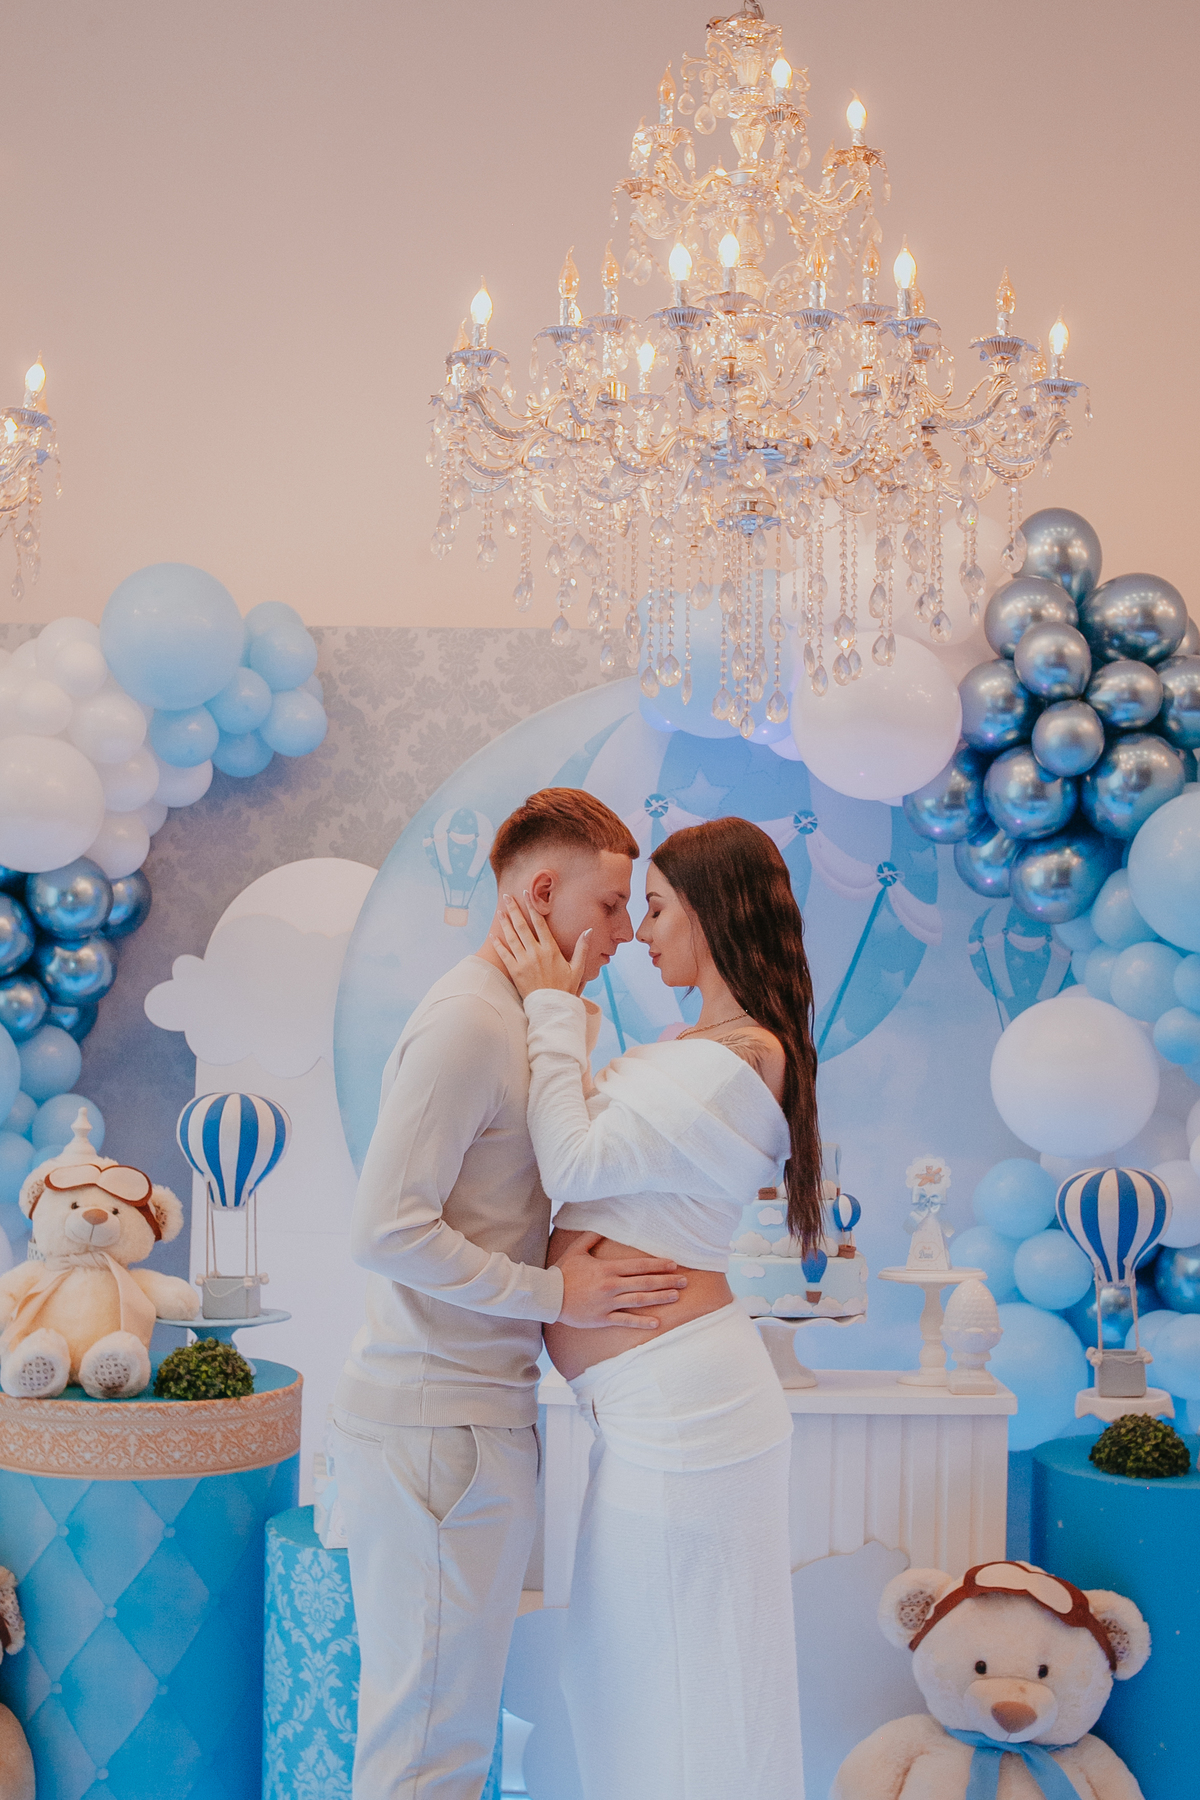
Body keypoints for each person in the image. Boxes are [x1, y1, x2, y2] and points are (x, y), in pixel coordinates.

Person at [333, 788, 689, 1800]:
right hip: (437, 1426)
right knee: (428, 1746)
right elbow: (384, 1228)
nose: (622, 934)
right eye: (610, 905)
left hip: (471, 1419)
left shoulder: (517, 1020)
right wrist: (553, 1294)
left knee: (445, 1733)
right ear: (541, 892)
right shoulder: (469, 1024)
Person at [492, 814, 821, 1800]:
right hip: (658, 1410)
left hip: (689, 1416)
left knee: (686, 1688)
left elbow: (575, 1160)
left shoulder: (741, 1057)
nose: (640, 933)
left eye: (660, 909)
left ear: (712, 914)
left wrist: (554, 1010)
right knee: (630, 1678)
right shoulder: (699, 1048)